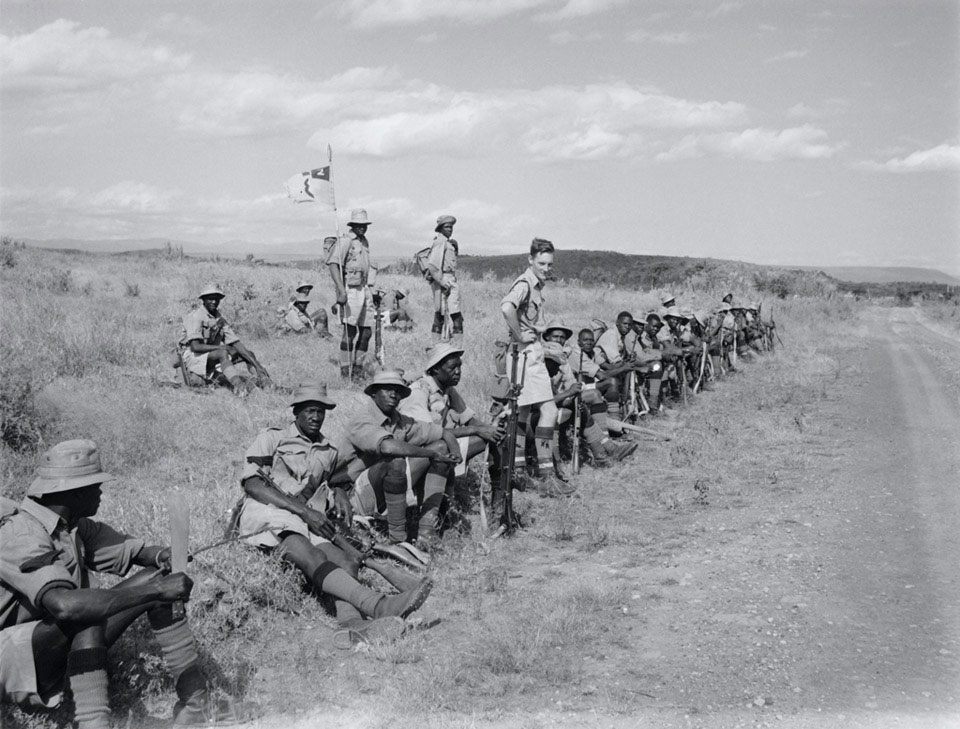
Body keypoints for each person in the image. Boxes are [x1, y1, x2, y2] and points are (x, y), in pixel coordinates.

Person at [0, 440, 247, 727]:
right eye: (95, 485)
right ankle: (93, 723)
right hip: (12, 656)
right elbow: (66, 607)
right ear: (71, 490)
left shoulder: (73, 526)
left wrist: (164, 556)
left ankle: (196, 704)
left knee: (157, 578)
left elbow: (135, 553)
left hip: (46, 645)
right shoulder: (20, 533)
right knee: (88, 612)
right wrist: (155, 590)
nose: (101, 491)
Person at [338, 370, 462, 549]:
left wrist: (454, 449)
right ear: (374, 392)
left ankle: (427, 533)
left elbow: (440, 432)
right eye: (387, 390)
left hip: (386, 486)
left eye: (397, 391)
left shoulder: (399, 420)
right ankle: (397, 539)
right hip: (351, 495)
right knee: (396, 461)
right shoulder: (363, 419)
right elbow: (387, 447)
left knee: (441, 447)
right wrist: (431, 455)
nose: (394, 395)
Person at [499, 238, 575, 496]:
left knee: (521, 412)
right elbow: (506, 307)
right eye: (541, 263)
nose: (546, 268)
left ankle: (519, 473)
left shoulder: (536, 285)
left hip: (529, 352)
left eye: (549, 264)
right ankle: (546, 475)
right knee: (549, 411)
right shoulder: (524, 283)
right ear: (530, 260)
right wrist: (520, 335)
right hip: (525, 353)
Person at [541, 326, 635, 467]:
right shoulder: (539, 359)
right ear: (547, 337)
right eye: (555, 336)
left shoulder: (564, 356)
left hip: (559, 399)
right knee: (582, 401)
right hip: (541, 407)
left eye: (562, 337)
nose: (559, 340)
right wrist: (568, 393)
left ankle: (604, 450)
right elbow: (542, 400)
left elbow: (570, 384)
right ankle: (605, 450)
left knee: (581, 402)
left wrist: (573, 392)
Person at [177, 284, 272, 394]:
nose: (214, 302)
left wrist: (257, 366)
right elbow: (195, 347)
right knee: (222, 353)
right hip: (192, 356)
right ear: (203, 300)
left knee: (247, 353)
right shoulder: (196, 317)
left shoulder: (219, 319)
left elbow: (236, 343)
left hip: (210, 354)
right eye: (210, 299)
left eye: (216, 299)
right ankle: (239, 387)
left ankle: (263, 380)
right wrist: (220, 347)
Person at [324, 210, 376, 378]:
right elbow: (333, 265)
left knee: (367, 332)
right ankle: (346, 373)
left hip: (364, 288)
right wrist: (341, 290)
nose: (362, 228)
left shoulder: (364, 242)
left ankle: (358, 370)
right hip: (350, 290)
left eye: (364, 225)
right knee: (350, 332)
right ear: (352, 225)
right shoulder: (346, 241)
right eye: (358, 225)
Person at [424, 215, 463, 341]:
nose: (450, 229)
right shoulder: (440, 242)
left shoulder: (446, 242)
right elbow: (432, 265)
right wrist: (442, 282)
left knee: (443, 314)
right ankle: (452, 346)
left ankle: (442, 345)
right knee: (452, 315)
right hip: (444, 279)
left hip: (448, 279)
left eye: (451, 227)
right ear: (440, 228)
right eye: (446, 227)